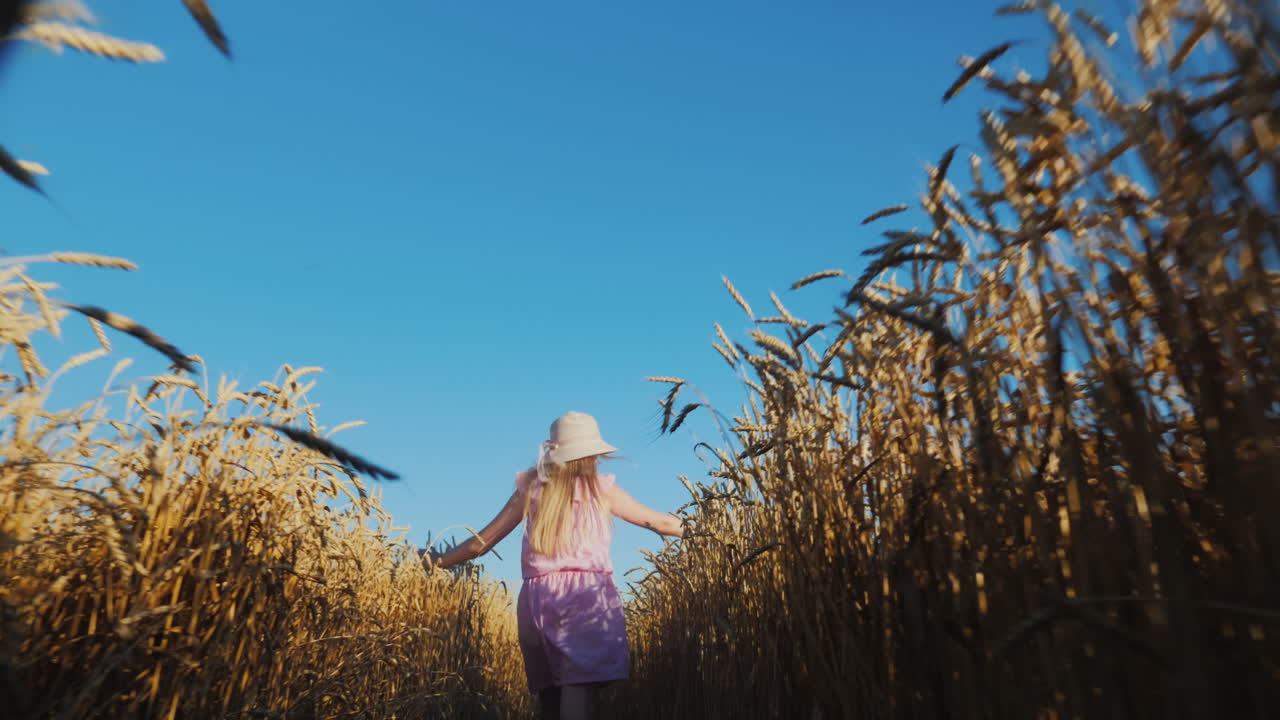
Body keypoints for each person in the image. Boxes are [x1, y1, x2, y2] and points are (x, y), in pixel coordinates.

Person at [425, 411, 683, 720]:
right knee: (578, 691)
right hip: (585, 597)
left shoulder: (531, 491)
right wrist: (709, 524)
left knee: (552, 693)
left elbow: (479, 543)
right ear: (590, 455)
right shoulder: (602, 489)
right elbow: (661, 522)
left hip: (537, 599)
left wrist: (434, 561)